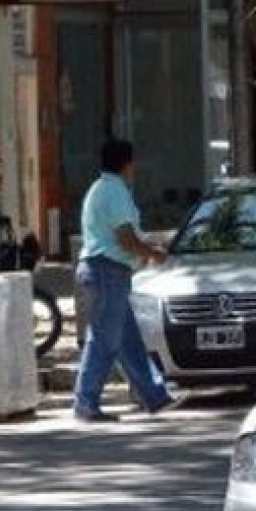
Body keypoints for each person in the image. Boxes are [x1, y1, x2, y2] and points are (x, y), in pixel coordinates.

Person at [72, 139, 178, 423]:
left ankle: (154, 396)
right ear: (127, 164)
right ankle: (86, 403)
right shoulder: (115, 191)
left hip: (105, 271)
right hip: (107, 271)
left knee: (127, 340)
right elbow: (126, 239)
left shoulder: (100, 188)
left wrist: (144, 252)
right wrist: (153, 254)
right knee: (104, 341)